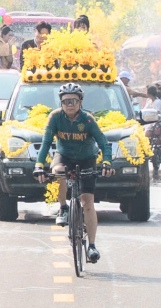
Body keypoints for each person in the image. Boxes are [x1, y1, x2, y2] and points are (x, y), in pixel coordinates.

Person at [33, 83, 115, 264]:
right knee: (59, 172)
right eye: (65, 101)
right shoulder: (54, 117)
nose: (70, 104)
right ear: (61, 103)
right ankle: (63, 208)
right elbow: (46, 142)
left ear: (80, 102)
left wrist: (107, 162)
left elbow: (103, 143)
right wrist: (39, 165)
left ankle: (92, 246)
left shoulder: (88, 120)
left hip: (87, 158)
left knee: (87, 203)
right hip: (64, 157)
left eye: (74, 101)